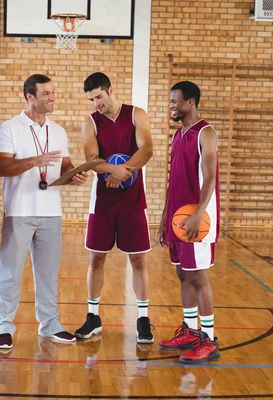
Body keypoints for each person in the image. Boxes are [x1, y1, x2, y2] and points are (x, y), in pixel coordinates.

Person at [0, 74, 87, 350]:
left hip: (51, 212)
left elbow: (66, 166)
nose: (52, 98)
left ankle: (50, 324)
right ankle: (4, 325)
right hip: (19, 210)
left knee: (48, 273)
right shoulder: (9, 128)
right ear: (30, 97)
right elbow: (2, 168)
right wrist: (36, 161)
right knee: (10, 272)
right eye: (46, 93)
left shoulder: (58, 131)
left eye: (53, 93)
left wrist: (75, 176)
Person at [75, 72, 154, 344]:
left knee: (138, 260)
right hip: (103, 201)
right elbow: (91, 158)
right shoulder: (90, 122)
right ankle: (93, 316)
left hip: (132, 202)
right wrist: (113, 170)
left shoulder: (136, 114)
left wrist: (125, 171)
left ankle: (143, 319)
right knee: (96, 258)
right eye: (91, 99)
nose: (96, 102)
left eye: (99, 96)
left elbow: (147, 149)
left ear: (110, 90)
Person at [157, 81, 220, 363]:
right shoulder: (177, 136)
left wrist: (198, 214)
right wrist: (162, 220)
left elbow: (210, 178)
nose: (171, 106)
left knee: (198, 276)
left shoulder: (205, 133)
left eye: (175, 101)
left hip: (197, 217)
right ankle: (191, 331)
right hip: (177, 218)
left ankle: (209, 341)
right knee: (183, 274)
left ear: (190, 103)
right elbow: (173, 183)